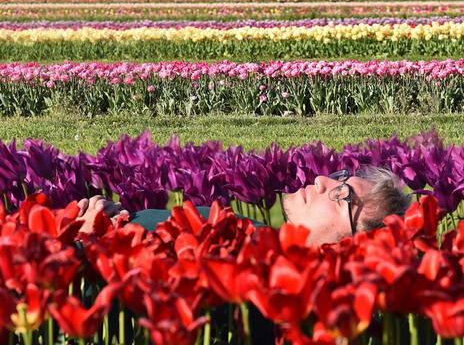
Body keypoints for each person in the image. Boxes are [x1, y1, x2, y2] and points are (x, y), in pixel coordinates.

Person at [77, 165, 411, 244]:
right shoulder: (251, 235)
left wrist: (91, 243)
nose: (322, 182)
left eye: (343, 197)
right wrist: (114, 213)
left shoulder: (252, 273)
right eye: (339, 178)